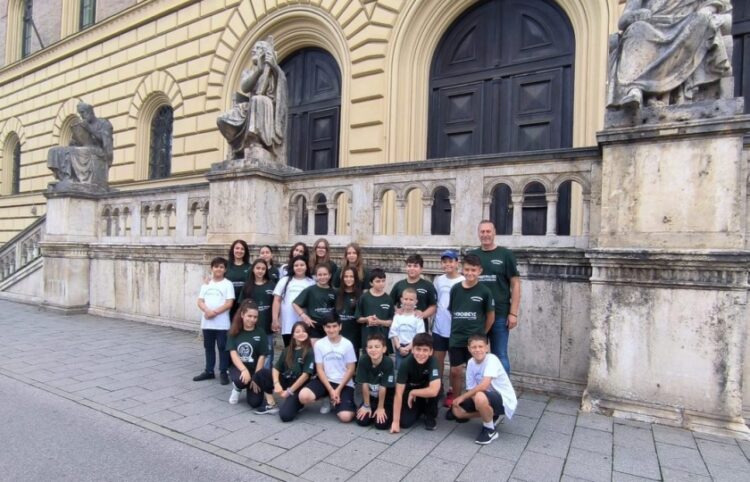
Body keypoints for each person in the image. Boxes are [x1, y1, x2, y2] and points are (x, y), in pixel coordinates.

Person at [607, 0, 733, 109]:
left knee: (702, 19)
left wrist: (706, 11)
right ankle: (634, 90)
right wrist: (636, 15)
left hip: (685, 24)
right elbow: (623, 21)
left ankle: (650, 88)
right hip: (651, 26)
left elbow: (713, 6)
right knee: (636, 30)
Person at [216, 37, 287, 160]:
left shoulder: (273, 71)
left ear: (265, 52)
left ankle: (255, 141)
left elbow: (281, 90)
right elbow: (245, 87)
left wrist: (274, 68)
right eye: (254, 48)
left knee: (257, 100)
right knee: (221, 120)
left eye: (258, 48)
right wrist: (258, 71)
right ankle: (239, 147)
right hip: (248, 109)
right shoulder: (248, 72)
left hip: (266, 108)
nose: (253, 50)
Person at [469, 220, 520, 374]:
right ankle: (480, 385)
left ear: (494, 233)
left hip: (500, 314)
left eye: (488, 231)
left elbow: (515, 284)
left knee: (500, 355)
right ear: (478, 233)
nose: (485, 235)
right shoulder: (473, 255)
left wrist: (513, 313)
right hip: (478, 315)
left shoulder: (506, 255)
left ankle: (503, 388)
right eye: (482, 231)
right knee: (477, 354)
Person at [447, 254, 495, 415]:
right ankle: (455, 403)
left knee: (474, 372)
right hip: (457, 337)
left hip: (475, 342)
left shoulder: (485, 291)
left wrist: (481, 335)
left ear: (480, 271)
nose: (470, 273)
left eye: (473, 270)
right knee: (455, 371)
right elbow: (452, 311)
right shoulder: (455, 289)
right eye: (467, 269)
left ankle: (472, 403)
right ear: (462, 269)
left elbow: (490, 316)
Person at [451, 335, 517, 445]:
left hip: (503, 399)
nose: (477, 350)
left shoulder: (492, 359)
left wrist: (462, 397)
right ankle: (490, 414)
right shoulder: (471, 362)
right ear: (469, 349)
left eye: (480, 346)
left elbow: (483, 386)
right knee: (458, 408)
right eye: (474, 347)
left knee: (479, 397)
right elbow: (470, 388)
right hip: (484, 396)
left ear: (487, 348)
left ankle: (489, 429)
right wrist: (475, 404)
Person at [252, 321, 315, 420]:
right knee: (262, 373)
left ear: (308, 334)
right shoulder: (287, 350)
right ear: (293, 335)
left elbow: (305, 375)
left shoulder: (310, 351)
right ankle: (271, 404)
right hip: (286, 380)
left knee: (285, 416)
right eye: (297, 331)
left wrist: (289, 392)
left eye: (304, 331)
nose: (301, 333)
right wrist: (276, 383)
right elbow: (276, 368)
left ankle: (298, 403)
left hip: (299, 387)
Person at [298, 317, 357, 422]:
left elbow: (351, 369)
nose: (331, 330)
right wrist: (330, 390)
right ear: (324, 328)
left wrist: (338, 390)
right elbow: (320, 369)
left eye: (334, 326)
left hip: (343, 383)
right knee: (303, 396)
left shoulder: (347, 344)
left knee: (345, 417)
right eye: (328, 327)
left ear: (340, 327)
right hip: (325, 381)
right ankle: (328, 396)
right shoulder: (319, 344)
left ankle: (342, 403)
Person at [47, 102, 114, 191]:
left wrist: (89, 129)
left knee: (78, 151)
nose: (82, 116)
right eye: (80, 113)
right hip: (85, 148)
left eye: (83, 112)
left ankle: (79, 179)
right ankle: (66, 177)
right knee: (55, 151)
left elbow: (105, 141)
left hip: (99, 151)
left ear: (90, 112)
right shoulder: (82, 124)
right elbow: (78, 141)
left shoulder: (104, 123)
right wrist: (74, 140)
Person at [194, 257, 235, 385]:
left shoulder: (228, 284)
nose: (218, 269)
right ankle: (209, 371)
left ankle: (223, 372)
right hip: (207, 323)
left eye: (221, 267)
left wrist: (214, 312)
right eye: (216, 266)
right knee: (208, 347)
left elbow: (229, 303)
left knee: (222, 347)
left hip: (222, 324)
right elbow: (200, 301)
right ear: (211, 268)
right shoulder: (206, 284)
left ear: (225, 269)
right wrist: (207, 311)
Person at [390, 333, 441, 432]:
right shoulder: (406, 363)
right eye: (418, 349)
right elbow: (398, 393)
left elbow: (434, 390)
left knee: (437, 386)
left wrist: (414, 392)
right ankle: (420, 407)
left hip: (422, 391)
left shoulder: (433, 362)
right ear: (412, 349)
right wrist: (395, 422)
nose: (421, 353)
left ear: (431, 352)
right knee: (405, 423)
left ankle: (429, 415)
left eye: (425, 350)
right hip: (409, 391)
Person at [433, 249, 464, 407]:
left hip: (456, 329)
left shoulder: (463, 280)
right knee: (437, 359)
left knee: (455, 364)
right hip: (439, 327)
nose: (448, 264)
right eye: (444, 261)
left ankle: (453, 390)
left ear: (457, 262)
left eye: (451, 261)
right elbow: (435, 301)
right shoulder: (438, 280)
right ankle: (438, 386)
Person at [227, 300, 269, 408]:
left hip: (255, 369)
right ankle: (237, 388)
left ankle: (250, 383)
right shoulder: (234, 331)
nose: (252, 319)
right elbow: (233, 353)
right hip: (239, 367)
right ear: (242, 315)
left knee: (255, 403)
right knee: (240, 380)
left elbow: (262, 355)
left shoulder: (261, 332)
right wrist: (244, 370)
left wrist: (256, 377)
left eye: (255, 317)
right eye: (249, 316)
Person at [239, 258, 277, 369]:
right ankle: (252, 372)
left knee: (267, 350)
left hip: (267, 324)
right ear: (253, 269)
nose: (260, 271)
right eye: (258, 268)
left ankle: (265, 373)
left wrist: (275, 320)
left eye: (263, 269)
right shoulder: (247, 286)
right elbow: (242, 306)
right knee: (253, 348)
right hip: (251, 325)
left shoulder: (272, 285)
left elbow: (276, 305)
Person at [355, 333, 395, 430]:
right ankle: (371, 410)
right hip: (371, 397)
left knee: (381, 424)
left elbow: (383, 387)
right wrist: (366, 405)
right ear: (366, 349)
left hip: (385, 398)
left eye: (377, 347)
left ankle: (383, 411)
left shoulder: (388, 362)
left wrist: (380, 407)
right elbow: (364, 384)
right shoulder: (363, 360)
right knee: (362, 421)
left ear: (384, 349)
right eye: (370, 347)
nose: (373, 350)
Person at [271, 255, 314, 347]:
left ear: (306, 266)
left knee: (303, 349)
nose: (299, 267)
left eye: (302, 265)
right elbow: (277, 300)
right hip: (287, 322)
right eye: (296, 265)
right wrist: (275, 319)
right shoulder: (285, 280)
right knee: (289, 349)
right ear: (292, 267)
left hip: (304, 322)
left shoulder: (311, 282)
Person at [390, 254, 437, 333]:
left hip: (419, 327)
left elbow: (433, 306)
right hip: (401, 327)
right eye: (409, 266)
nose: (412, 268)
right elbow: (390, 303)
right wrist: (397, 310)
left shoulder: (428, 286)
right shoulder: (399, 285)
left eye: (415, 266)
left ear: (421, 269)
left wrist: (423, 314)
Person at [292, 263, 336, 341]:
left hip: (330, 327)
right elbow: (295, 303)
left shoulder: (334, 291)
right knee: (315, 348)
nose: (322, 277)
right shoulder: (310, 290)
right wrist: (304, 316)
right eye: (320, 275)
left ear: (330, 275)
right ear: (316, 276)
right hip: (315, 326)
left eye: (325, 274)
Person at [355, 268, 394, 354]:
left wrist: (379, 321)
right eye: (378, 281)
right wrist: (367, 319)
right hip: (368, 338)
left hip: (383, 339)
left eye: (383, 281)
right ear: (371, 283)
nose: (381, 283)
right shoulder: (364, 298)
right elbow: (358, 318)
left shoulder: (388, 299)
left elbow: (391, 322)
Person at [388, 287, 425, 370]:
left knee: (412, 371)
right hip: (400, 348)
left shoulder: (418, 318)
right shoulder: (397, 316)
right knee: (399, 370)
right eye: (406, 299)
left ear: (416, 301)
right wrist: (399, 348)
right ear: (401, 300)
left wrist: (408, 348)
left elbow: (419, 336)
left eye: (411, 300)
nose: (408, 302)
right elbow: (394, 333)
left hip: (413, 348)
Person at [336, 266, 362, 357]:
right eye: (346, 276)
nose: (348, 279)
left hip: (354, 336)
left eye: (351, 276)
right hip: (338, 334)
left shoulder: (361, 295)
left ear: (355, 278)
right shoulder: (336, 293)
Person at [226, 239, 251, 321]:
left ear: (245, 251)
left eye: (242, 249)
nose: (239, 251)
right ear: (232, 250)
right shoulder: (226, 266)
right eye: (237, 248)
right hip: (228, 304)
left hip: (243, 304)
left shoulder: (250, 267)